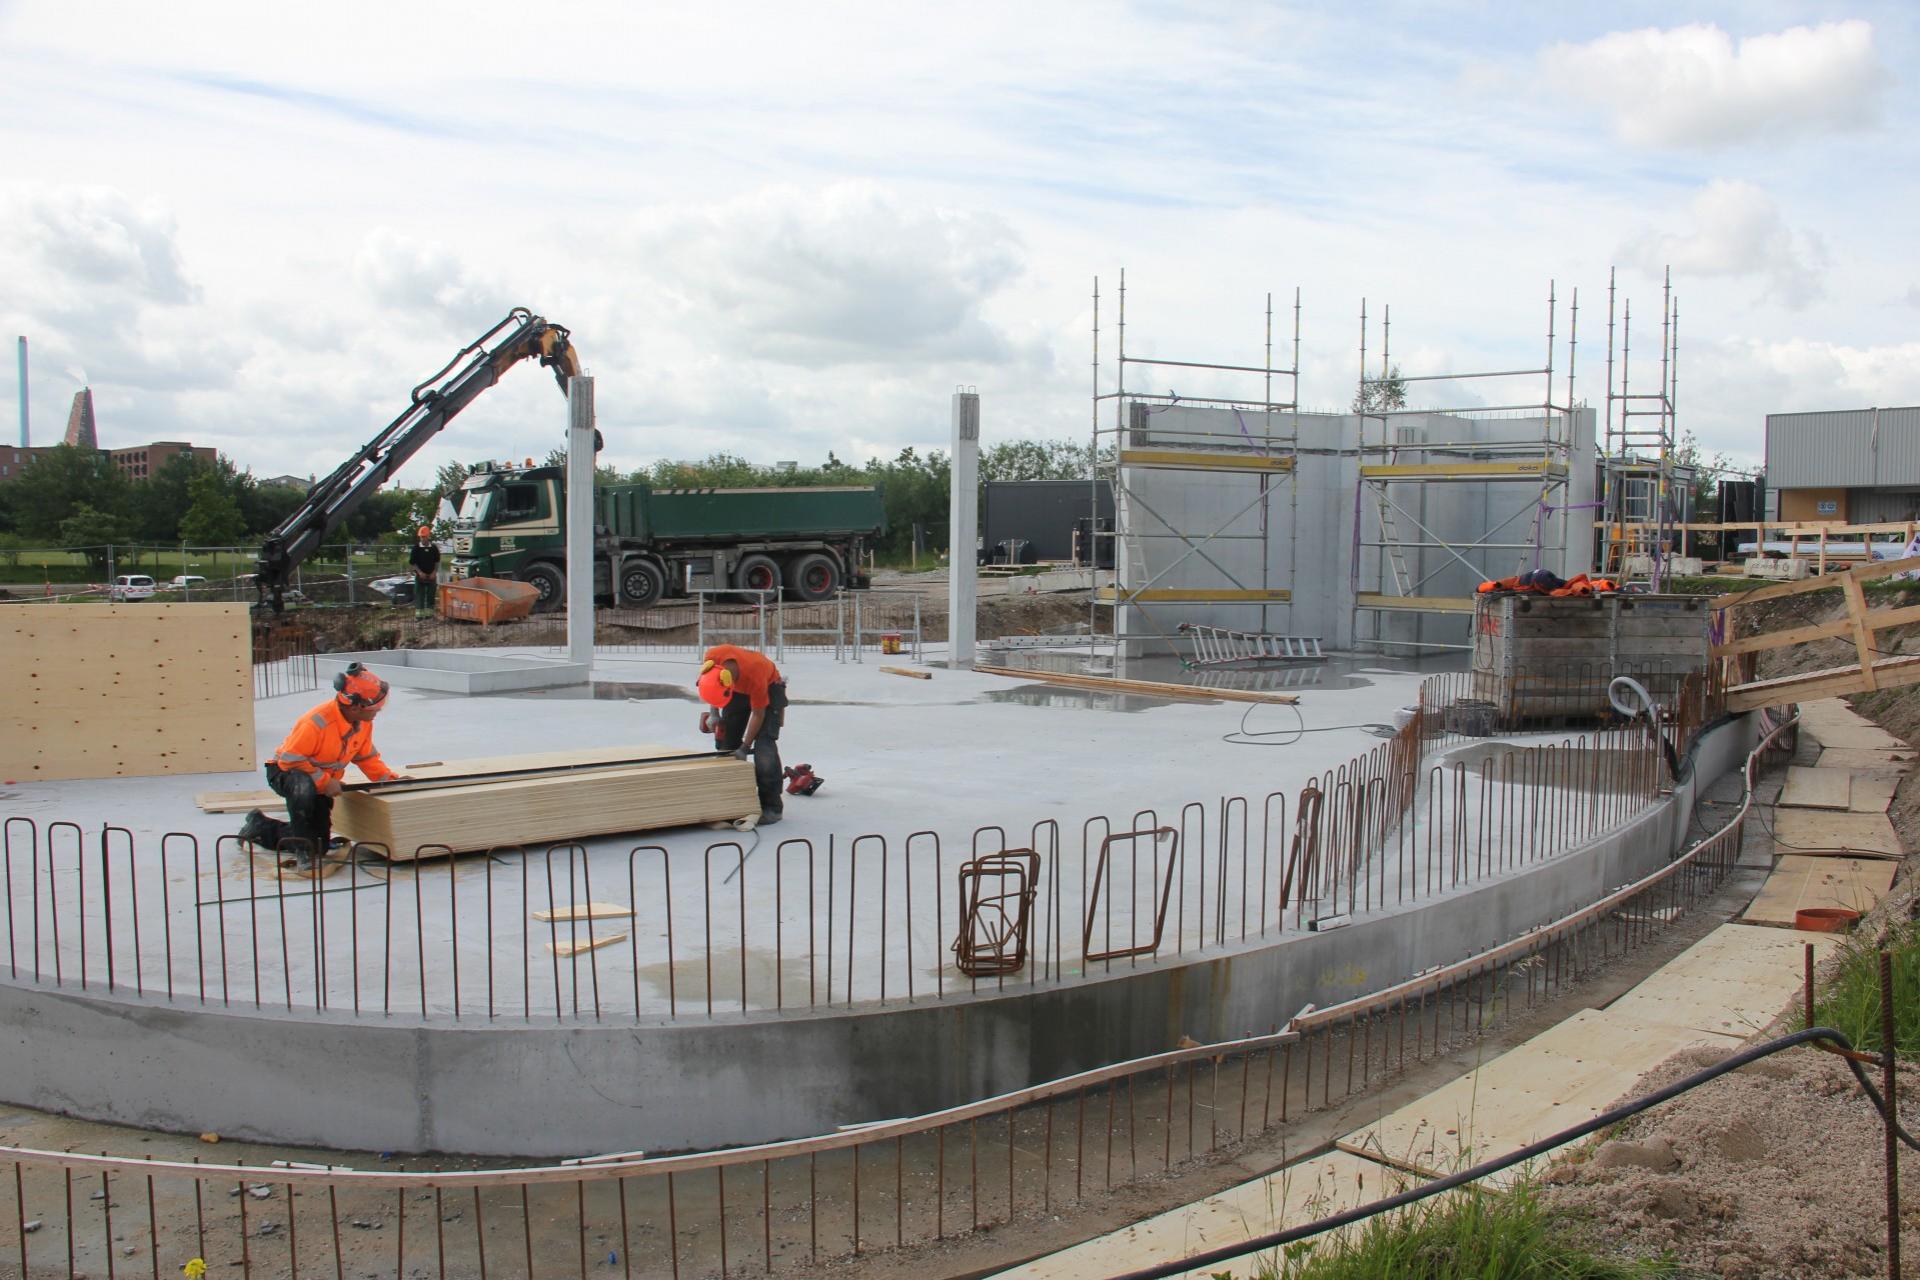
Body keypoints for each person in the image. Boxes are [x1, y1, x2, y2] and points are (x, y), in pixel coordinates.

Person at [238, 663, 406, 866]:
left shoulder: (363, 723)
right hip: (285, 772)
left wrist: (389, 781)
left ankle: (260, 826)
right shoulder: (317, 722)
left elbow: (366, 757)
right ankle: (303, 851)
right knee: (302, 787)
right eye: (376, 706)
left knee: (319, 845)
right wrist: (325, 782)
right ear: (355, 707)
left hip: (316, 779)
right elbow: (290, 760)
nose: (378, 710)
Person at [696, 644, 788, 824]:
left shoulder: (756, 675)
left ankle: (772, 807)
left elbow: (758, 714)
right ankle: (731, 801)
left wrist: (745, 747)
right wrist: (714, 714)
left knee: (764, 749)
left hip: (769, 688)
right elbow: (711, 686)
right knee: (726, 745)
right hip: (738, 690)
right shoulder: (713, 657)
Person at [409, 526, 441, 618]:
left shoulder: (434, 548)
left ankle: (429, 615)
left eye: (424, 537)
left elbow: (437, 561)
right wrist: (419, 572)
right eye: (421, 537)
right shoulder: (416, 548)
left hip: (431, 575)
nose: (422, 539)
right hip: (420, 576)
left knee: (431, 595)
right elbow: (413, 562)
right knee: (420, 595)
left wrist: (434, 572)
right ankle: (419, 615)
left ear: (428, 536)